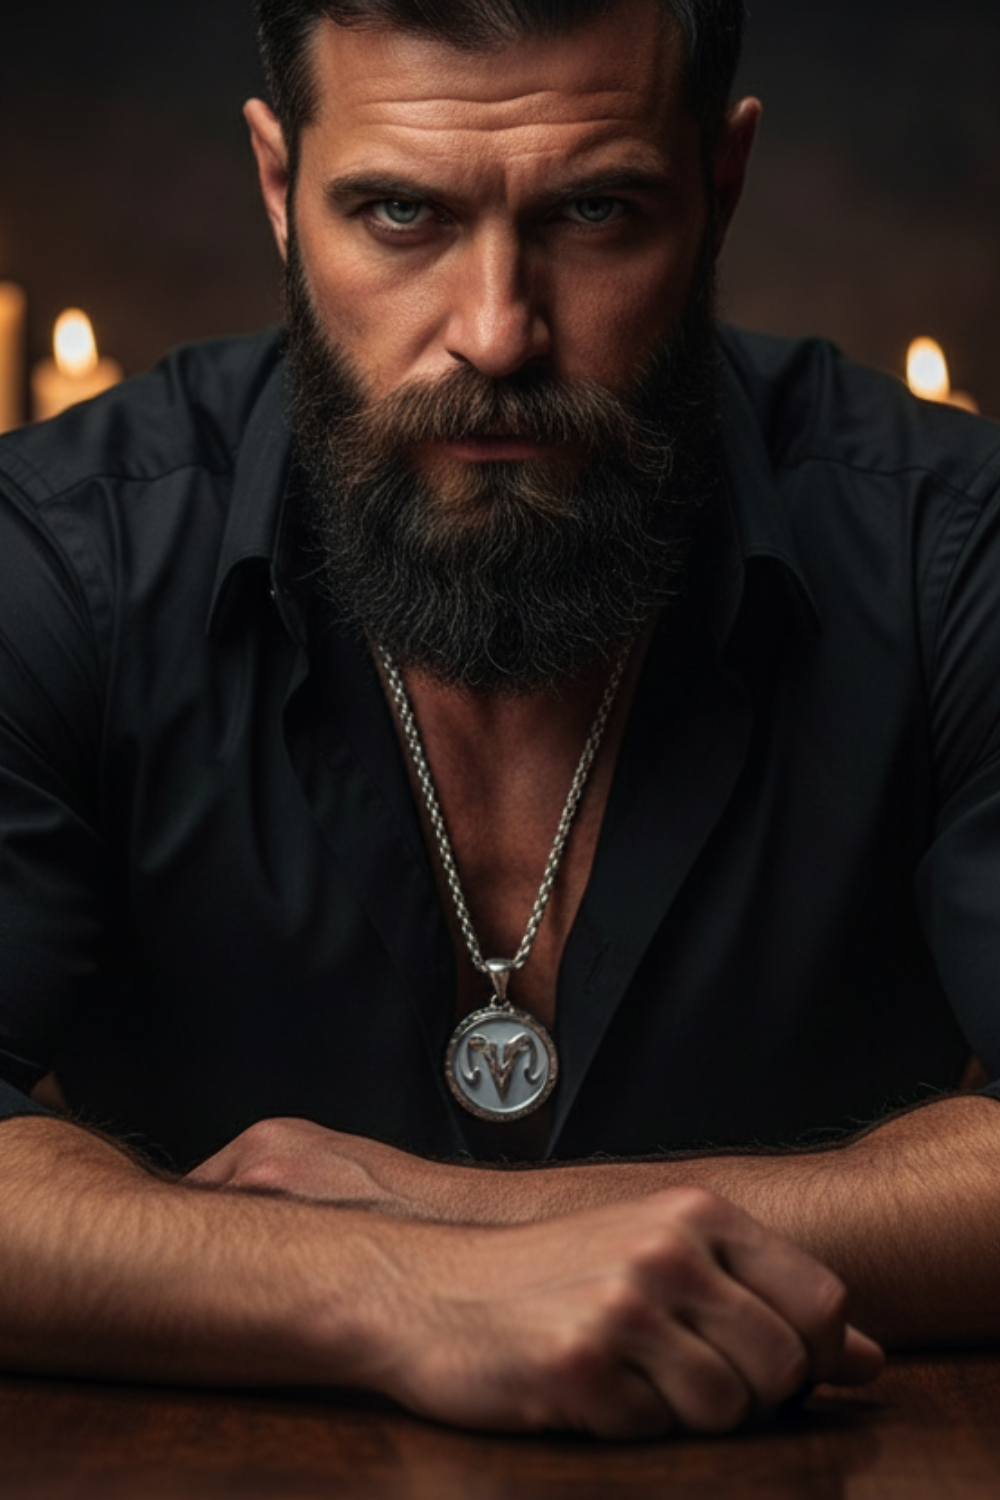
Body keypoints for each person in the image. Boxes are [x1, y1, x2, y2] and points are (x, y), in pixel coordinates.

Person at [0, 0, 998, 1438]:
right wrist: (393, 1287)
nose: (496, 333)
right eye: (399, 211)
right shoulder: (59, 554)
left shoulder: (951, 548)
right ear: (280, 187)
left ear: (721, 184)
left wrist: (462, 1212)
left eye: (596, 211)